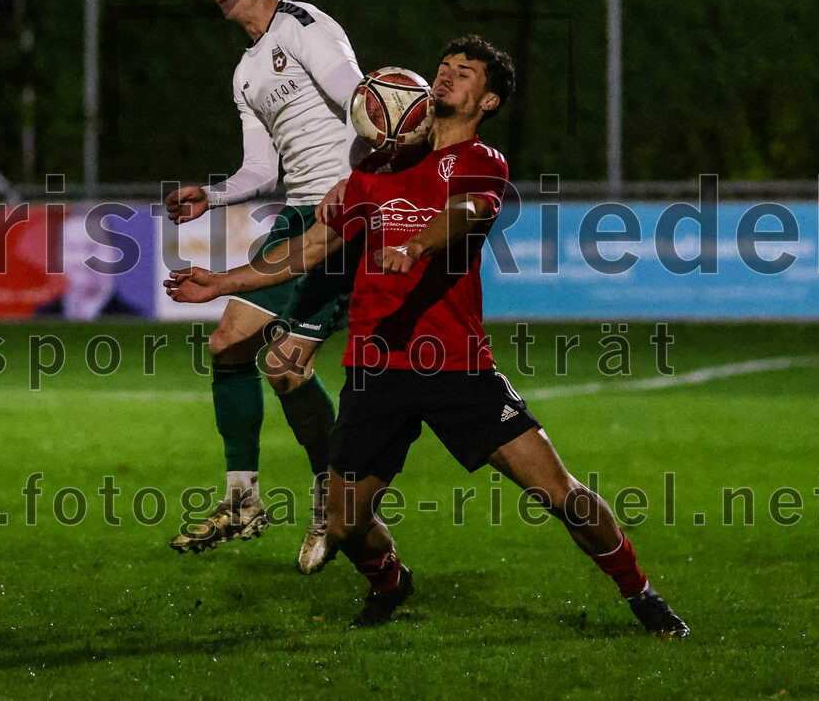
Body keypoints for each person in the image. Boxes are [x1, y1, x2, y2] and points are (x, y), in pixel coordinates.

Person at [165, 35, 690, 637]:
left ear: (488, 101)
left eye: (464, 72)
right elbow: (311, 247)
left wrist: (415, 245)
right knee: (342, 525)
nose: (446, 76)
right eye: (443, 66)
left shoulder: (479, 161)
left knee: (557, 491)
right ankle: (390, 580)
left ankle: (641, 593)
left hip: (457, 366)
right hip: (376, 366)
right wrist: (222, 282)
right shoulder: (373, 170)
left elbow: (467, 212)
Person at [164, 0, 364, 573]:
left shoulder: (306, 27)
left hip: (340, 216)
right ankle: (243, 499)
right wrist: (213, 194)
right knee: (229, 346)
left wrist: (361, 183)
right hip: (296, 214)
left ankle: (335, 498)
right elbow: (261, 171)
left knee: (282, 364)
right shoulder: (246, 70)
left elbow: (367, 108)